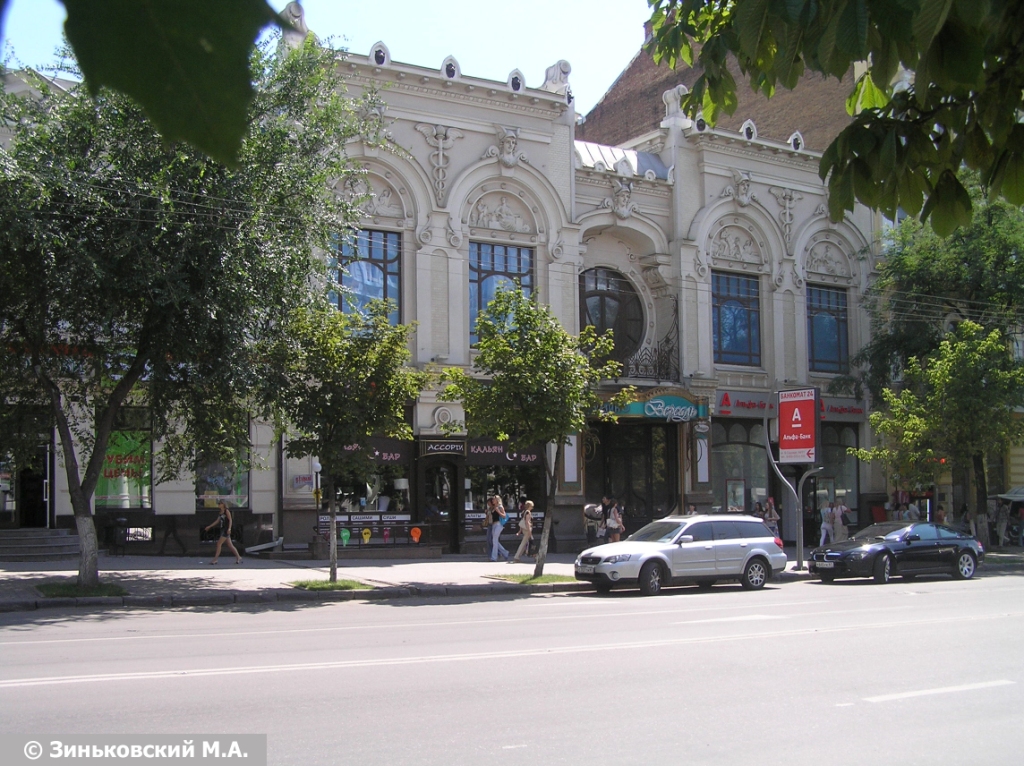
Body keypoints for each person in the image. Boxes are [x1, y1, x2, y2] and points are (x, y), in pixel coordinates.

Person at [490, 497, 510, 562]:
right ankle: (505, 552)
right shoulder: (493, 507)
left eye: (494, 499)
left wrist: (498, 511)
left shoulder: (500, 507)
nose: (493, 500)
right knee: (495, 540)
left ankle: (494, 557)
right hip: (494, 524)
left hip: (499, 524)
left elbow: (504, 516)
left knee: (494, 540)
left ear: (497, 500)